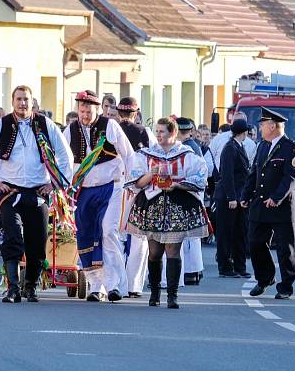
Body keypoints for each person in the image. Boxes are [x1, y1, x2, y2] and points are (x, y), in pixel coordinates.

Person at [0, 85, 73, 303]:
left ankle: (31, 287)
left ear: (32, 101)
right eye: (19, 99)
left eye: (26, 99)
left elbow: (66, 156)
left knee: (37, 242)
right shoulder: (1, 125)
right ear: (13, 101)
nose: (23, 103)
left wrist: (56, 184)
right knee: (13, 237)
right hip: (12, 192)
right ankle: (13, 288)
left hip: (38, 192)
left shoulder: (46, 125)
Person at [125, 117, 209, 309]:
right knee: (154, 252)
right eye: (157, 131)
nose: (158, 135)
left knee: (173, 249)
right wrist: (150, 174)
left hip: (176, 205)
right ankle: (154, 292)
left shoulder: (186, 154)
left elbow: (201, 176)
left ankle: (172, 295)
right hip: (153, 205)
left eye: (162, 131)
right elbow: (135, 181)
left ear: (173, 133)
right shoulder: (146, 155)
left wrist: (177, 184)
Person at [64, 90, 134, 303]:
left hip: (110, 187)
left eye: (89, 110)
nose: (85, 115)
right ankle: (96, 286)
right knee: (85, 234)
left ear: (98, 109)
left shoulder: (109, 125)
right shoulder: (70, 130)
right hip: (84, 190)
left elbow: (128, 154)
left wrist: (132, 183)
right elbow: (63, 159)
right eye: (82, 110)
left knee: (108, 231)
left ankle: (115, 286)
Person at [240, 107, 295, 300]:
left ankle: (286, 286)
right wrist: (246, 195)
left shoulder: (291, 148)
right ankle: (265, 278)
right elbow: (254, 174)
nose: (261, 129)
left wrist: (276, 198)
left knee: (285, 248)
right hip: (260, 203)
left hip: (280, 206)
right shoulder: (262, 146)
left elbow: (290, 178)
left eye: (263, 125)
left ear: (272, 126)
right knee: (255, 242)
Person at [117, 97, 154, 298]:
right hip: (137, 189)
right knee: (139, 238)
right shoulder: (144, 133)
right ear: (136, 112)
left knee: (115, 236)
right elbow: (153, 158)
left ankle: (116, 282)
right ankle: (134, 284)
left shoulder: (110, 129)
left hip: (114, 186)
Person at [214, 118, 251, 277]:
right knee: (226, 233)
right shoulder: (230, 148)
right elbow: (227, 175)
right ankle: (225, 267)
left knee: (240, 232)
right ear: (244, 133)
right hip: (229, 197)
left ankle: (240, 266)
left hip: (239, 196)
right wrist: (231, 198)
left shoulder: (238, 146)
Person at [175, 117, 204, 285]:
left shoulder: (185, 149)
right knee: (192, 236)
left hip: (186, 193)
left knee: (186, 237)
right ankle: (195, 271)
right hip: (194, 193)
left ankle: (190, 271)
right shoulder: (196, 147)